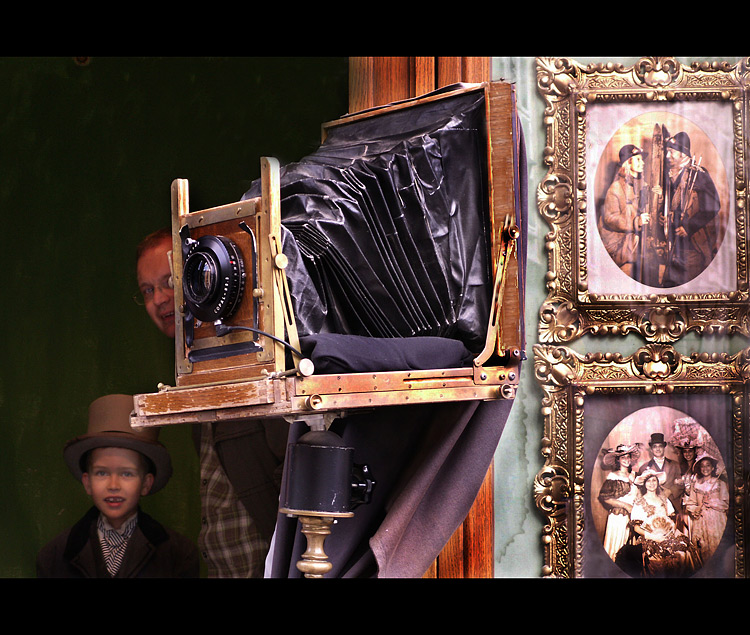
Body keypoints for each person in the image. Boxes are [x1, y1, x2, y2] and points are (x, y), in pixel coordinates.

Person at [135, 227, 287, 578]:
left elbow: (293, 474)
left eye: (169, 282)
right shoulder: (197, 368)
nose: (159, 299)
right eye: (147, 290)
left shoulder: (254, 359)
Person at [36, 394, 199, 578]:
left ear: (146, 483)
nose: (113, 485)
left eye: (127, 474)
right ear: (87, 482)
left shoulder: (178, 554)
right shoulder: (54, 556)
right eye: (102, 473)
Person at [659, 131, 721, 287]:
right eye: (666, 151)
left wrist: (689, 227)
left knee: (689, 288)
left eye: (671, 152)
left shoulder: (699, 175)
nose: (667, 156)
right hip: (670, 245)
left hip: (692, 246)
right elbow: (667, 202)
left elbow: (713, 206)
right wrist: (661, 215)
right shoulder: (667, 175)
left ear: (683, 154)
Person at [630, 469, 698, 577]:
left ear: (658, 483)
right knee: (657, 558)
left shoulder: (664, 500)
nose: (651, 483)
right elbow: (636, 528)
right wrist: (654, 537)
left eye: (654, 480)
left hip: (668, 534)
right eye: (648, 481)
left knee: (684, 551)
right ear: (644, 484)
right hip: (649, 537)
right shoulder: (639, 502)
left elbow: (671, 520)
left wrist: (671, 530)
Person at [598, 145, 650, 279]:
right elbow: (610, 218)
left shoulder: (644, 186)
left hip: (639, 244)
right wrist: (636, 222)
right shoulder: (615, 188)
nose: (643, 163)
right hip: (621, 246)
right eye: (638, 160)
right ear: (628, 163)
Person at [598, 443, 640, 563]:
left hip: (634, 516)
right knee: (617, 545)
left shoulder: (634, 475)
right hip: (619, 516)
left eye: (628, 457)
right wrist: (625, 506)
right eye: (623, 457)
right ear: (618, 460)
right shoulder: (613, 476)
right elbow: (605, 498)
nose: (626, 459)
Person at [684, 452, 729, 564]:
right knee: (702, 547)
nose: (705, 468)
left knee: (716, 545)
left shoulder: (720, 484)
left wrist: (713, 503)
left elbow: (726, 504)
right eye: (702, 466)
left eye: (708, 465)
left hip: (716, 520)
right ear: (700, 469)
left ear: (712, 467)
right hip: (701, 520)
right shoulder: (696, 484)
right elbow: (690, 503)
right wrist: (695, 510)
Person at [637, 432, 682, 512]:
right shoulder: (644, 468)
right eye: (655, 447)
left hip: (673, 504)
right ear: (651, 449)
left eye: (660, 446)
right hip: (653, 506)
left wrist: (670, 491)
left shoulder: (675, 465)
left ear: (664, 448)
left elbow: (681, 484)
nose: (658, 449)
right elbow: (641, 489)